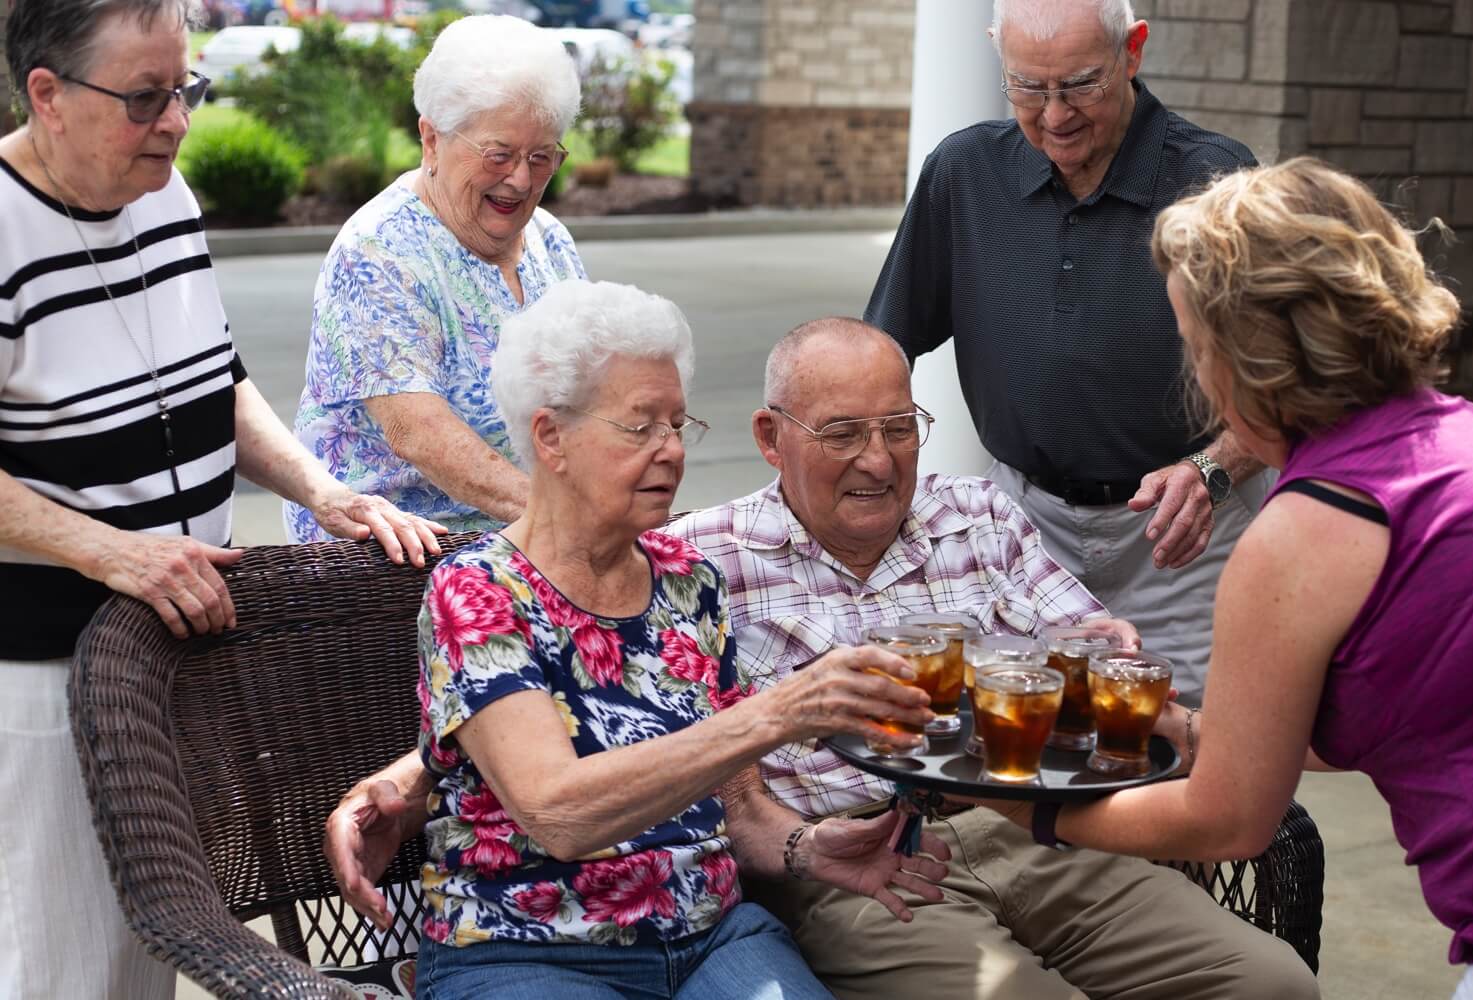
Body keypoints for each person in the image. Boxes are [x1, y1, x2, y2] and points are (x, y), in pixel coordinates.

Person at [331, 317, 1319, 999]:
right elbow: (556, 674)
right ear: (770, 437)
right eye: (843, 433)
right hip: (865, 858)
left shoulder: (972, 512)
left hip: (1035, 820)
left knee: (1274, 983)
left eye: (900, 429)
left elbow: (1098, 666)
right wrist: (419, 771)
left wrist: (1135, 700)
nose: (880, 459)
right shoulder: (704, 554)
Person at [971, 159, 1473, 1000]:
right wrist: (1201, 724)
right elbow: (1419, 703)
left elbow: (1231, 819)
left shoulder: (1304, 532)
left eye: (1191, 342)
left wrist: (1025, 808)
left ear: (1247, 355)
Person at [0, 1, 445, 996]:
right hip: (40, 669)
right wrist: (110, 550)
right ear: (48, 95)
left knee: (147, 950)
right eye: (145, 97)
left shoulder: (164, 193)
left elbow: (219, 381)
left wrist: (320, 488)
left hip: (176, 658)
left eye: (186, 90)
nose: (176, 123)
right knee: (62, 961)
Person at [411, 281, 953, 999]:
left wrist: (808, 848)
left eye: (678, 423)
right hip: (529, 952)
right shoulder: (478, 590)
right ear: (551, 437)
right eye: (642, 427)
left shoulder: (686, 580)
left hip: (710, 938)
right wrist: (775, 715)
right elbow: (558, 811)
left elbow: (741, 811)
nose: (671, 450)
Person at [866, 0, 1264, 704]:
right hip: (1023, 527)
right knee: (1025, 751)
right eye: (1027, 87)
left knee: (1186, 751)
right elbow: (878, 350)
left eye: (1081, 85)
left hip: (1183, 533)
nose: (1055, 116)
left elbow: (1285, 381)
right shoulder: (963, 171)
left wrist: (1216, 469)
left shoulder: (1215, 181)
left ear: (1132, 52)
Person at [284, 14, 587, 543]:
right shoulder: (379, 251)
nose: (520, 179)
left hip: (529, 538)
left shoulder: (549, 239)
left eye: (542, 158)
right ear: (431, 138)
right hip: (399, 554)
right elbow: (418, 433)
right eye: (499, 155)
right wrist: (569, 521)